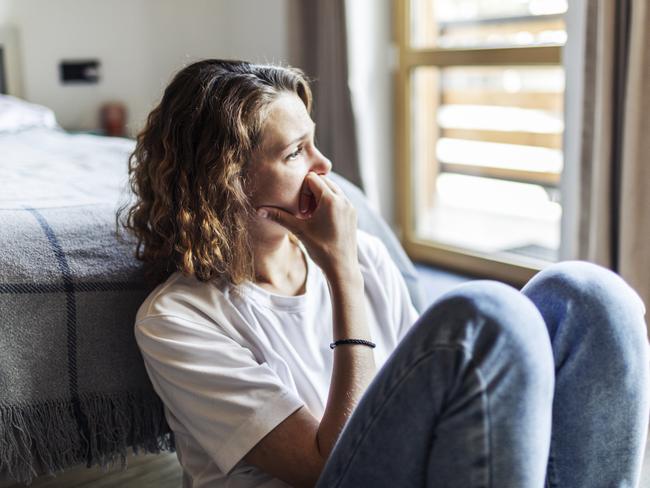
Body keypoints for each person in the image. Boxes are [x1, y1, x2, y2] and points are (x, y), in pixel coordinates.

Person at [119, 59, 650, 488]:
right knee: (489, 314)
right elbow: (324, 467)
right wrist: (342, 273)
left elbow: (424, 393)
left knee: (588, 293)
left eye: (315, 141)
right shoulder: (176, 318)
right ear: (226, 181)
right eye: (295, 152)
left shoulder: (366, 251)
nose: (324, 166)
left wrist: (349, 261)